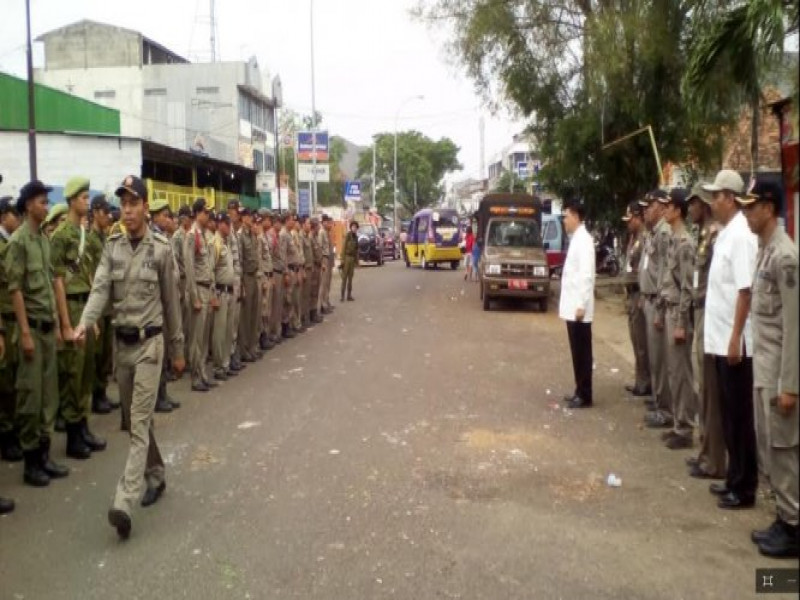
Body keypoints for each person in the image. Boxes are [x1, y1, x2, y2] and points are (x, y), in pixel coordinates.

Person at [74, 175, 184, 539]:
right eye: (123, 204)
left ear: (145, 207)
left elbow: (171, 304)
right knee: (134, 421)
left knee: (138, 423)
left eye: (134, 203)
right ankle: (156, 474)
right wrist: (85, 322)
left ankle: (124, 500)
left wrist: (178, 349)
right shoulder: (113, 246)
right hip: (121, 348)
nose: (128, 211)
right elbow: (100, 287)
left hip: (150, 345)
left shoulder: (162, 249)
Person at [738, 180, 799, 557]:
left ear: (770, 207)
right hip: (764, 367)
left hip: (780, 372)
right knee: (770, 448)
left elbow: (794, 325)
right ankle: (783, 516)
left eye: (752, 206)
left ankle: (794, 526)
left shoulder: (785, 257)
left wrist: (790, 384)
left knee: (784, 447)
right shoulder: (765, 251)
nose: (747, 213)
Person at [5, 180, 69, 487]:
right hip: (30, 327)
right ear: (29, 204)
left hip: (46, 327)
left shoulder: (43, 240)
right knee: (30, 396)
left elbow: (49, 284)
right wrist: (26, 333)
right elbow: (15, 289)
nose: (46, 206)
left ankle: (44, 455)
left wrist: (57, 325)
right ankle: (31, 460)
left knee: (48, 396)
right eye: (42, 202)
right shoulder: (18, 242)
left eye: (47, 202)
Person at [702, 169, 758, 510]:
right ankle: (734, 478)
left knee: (739, 417)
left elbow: (745, 290)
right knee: (728, 413)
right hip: (721, 339)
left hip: (734, 342)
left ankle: (745, 485)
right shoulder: (726, 233)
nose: (712, 202)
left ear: (730, 199)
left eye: (716, 196)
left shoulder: (740, 237)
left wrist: (736, 337)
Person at [51, 176, 107, 460]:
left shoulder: (82, 234)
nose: (87, 201)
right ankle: (73, 435)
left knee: (86, 370)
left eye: (88, 197)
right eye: (83, 197)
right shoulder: (60, 236)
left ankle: (83, 427)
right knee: (73, 372)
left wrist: (93, 319)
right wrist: (64, 323)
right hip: (70, 308)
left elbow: (88, 277)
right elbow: (58, 282)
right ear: (71, 201)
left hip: (85, 306)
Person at [685, 187, 726, 480]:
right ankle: (705, 452)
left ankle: (714, 459)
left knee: (709, 390)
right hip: (700, 312)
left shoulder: (716, 234)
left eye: (693, 204)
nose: (690, 209)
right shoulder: (704, 235)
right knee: (703, 387)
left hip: (711, 314)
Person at [656, 188, 696, 450]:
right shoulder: (672, 239)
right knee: (673, 371)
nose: (665, 210)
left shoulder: (685, 244)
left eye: (669, 207)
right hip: (668, 309)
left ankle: (685, 427)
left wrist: (681, 322)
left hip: (679, 313)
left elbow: (687, 288)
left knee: (682, 373)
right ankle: (677, 423)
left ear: (678, 210)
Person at [639, 191, 674, 428]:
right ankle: (659, 401)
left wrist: (659, 305)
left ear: (662, 207)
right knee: (654, 357)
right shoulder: (653, 233)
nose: (646, 211)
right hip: (649, 299)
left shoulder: (664, 233)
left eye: (650, 206)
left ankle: (665, 409)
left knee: (661, 360)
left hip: (658, 302)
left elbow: (664, 272)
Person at [559, 201, 595, 409]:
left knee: (583, 352)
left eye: (566, 216)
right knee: (577, 352)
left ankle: (585, 394)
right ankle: (579, 390)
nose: (564, 220)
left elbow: (586, 275)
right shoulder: (577, 239)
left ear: (575, 217)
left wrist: (581, 304)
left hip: (579, 308)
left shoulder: (584, 241)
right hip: (573, 307)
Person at [86, 194, 119, 414]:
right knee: (96, 353)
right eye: (105, 212)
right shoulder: (89, 240)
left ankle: (103, 392)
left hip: (109, 304)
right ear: (95, 212)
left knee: (106, 352)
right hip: (98, 304)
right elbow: (89, 274)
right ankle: (96, 395)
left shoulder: (104, 238)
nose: (108, 216)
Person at [150, 200, 181, 413]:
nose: (168, 219)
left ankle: (162, 392)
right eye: (164, 215)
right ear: (154, 216)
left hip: (167, 299)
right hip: (157, 304)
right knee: (157, 352)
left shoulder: (163, 237)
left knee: (164, 350)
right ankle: (157, 396)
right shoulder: (152, 239)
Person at [185, 198, 218, 392]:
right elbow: (189, 268)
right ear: (197, 213)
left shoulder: (204, 235)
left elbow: (208, 267)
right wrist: (194, 297)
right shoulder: (192, 236)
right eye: (205, 212)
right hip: (198, 289)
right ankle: (196, 376)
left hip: (207, 289)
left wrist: (212, 292)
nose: (208, 215)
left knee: (204, 337)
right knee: (196, 338)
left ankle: (203, 373)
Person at [0, 196, 23, 463]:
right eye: (13, 214)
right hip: (4, 319)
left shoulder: (11, 243)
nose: (16, 218)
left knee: (15, 379)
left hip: (14, 318)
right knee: (5, 384)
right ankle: (7, 436)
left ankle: (13, 432)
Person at [621, 201, 651, 398]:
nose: (628, 223)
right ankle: (640, 380)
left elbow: (645, 270)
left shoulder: (645, 237)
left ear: (639, 217)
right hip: (631, 294)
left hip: (639, 294)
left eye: (630, 219)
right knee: (635, 340)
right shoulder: (633, 238)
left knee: (642, 343)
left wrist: (642, 295)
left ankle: (646, 383)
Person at [211, 212, 237, 380]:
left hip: (229, 291)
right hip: (220, 292)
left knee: (228, 330)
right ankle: (218, 366)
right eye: (226, 224)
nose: (229, 227)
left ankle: (225, 364)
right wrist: (213, 295)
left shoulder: (226, 243)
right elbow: (210, 271)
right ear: (220, 224)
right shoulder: (215, 243)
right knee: (219, 333)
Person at [238, 207, 262, 360]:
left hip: (254, 275)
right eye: (247, 216)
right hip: (246, 276)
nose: (250, 219)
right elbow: (240, 261)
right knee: (245, 316)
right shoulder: (240, 236)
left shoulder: (252, 235)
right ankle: (244, 349)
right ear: (243, 218)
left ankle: (252, 346)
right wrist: (241, 283)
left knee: (254, 312)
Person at [318, 215, 335, 315]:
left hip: (329, 258)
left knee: (328, 283)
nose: (330, 225)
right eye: (328, 223)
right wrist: (322, 262)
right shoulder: (322, 232)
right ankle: (322, 306)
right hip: (324, 259)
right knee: (323, 284)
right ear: (323, 222)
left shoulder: (328, 233)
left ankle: (326, 302)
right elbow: (320, 248)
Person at [341, 220, 359, 302]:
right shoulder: (348, 236)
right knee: (344, 278)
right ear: (351, 227)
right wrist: (342, 260)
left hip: (352, 259)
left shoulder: (356, 237)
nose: (354, 228)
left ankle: (349, 295)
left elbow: (356, 250)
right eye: (353, 227)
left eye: (355, 227)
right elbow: (344, 248)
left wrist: (357, 261)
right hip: (347, 258)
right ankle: (342, 296)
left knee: (350, 278)